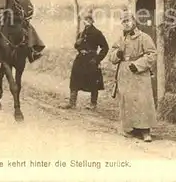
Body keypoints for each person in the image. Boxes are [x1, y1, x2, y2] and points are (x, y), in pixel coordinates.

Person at [108, 8, 157, 142]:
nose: (126, 24)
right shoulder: (120, 39)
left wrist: (138, 65)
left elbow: (152, 54)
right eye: (123, 22)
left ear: (134, 21)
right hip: (124, 73)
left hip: (139, 74)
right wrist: (117, 54)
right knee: (127, 100)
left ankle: (146, 131)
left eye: (128, 21)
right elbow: (111, 57)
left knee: (142, 101)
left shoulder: (144, 37)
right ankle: (130, 129)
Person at [60, 10, 109, 110]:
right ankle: (72, 103)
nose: (85, 21)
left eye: (88, 19)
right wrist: (78, 45)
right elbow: (76, 46)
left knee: (93, 81)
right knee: (74, 79)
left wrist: (97, 59)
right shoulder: (81, 33)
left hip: (91, 60)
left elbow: (105, 47)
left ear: (92, 21)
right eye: (84, 20)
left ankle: (93, 104)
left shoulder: (97, 33)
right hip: (80, 59)